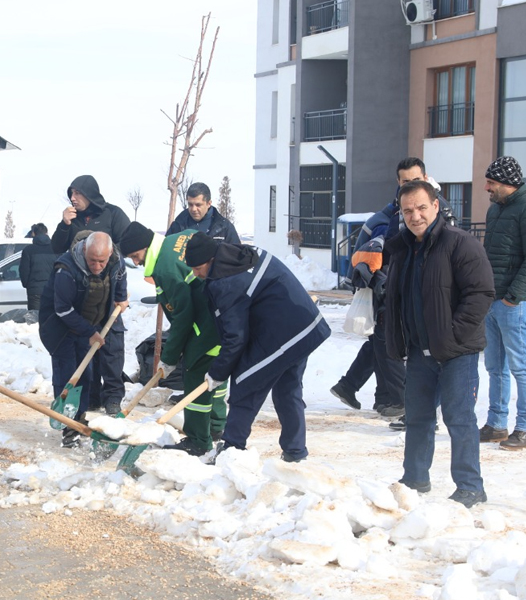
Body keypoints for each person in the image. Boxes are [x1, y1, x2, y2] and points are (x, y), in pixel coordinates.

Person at [382, 180, 494, 508]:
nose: (415, 216)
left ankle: (471, 486)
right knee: (418, 417)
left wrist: (453, 335)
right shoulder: (402, 248)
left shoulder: (460, 244)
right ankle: (415, 478)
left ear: (435, 206)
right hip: (419, 352)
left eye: (420, 208)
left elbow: (482, 294)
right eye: (408, 211)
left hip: (457, 351)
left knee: (459, 418)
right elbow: (398, 299)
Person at [185, 234, 330, 464]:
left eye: (197, 267)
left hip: (283, 329)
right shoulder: (236, 256)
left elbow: (235, 337)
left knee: (245, 381)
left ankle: (231, 449)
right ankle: (295, 453)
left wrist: (218, 373)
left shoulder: (226, 281)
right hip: (303, 325)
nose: (195, 273)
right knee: (288, 389)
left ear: (211, 259)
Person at [331, 157, 438, 423]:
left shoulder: (435, 209)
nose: (411, 185)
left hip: (418, 290)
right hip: (388, 290)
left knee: (384, 342)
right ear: (398, 183)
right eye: (405, 181)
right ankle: (398, 401)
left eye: (415, 180)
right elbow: (383, 254)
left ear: (425, 178)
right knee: (385, 341)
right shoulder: (390, 216)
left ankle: (376, 394)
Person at [120, 222, 227, 456]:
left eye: (136, 256)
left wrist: (169, 358)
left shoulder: (165, 270)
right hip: (223, 318)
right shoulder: (178, 238)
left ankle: (199, 441)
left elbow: (183, 316)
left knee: (195, 378)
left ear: (146, 246)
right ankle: (218, 427)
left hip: (204, 328)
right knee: (216, 373)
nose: (136, 262)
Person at [481, 156, 526, 451]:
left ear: (508, 183)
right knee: (495, 366)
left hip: (515, 303)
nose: (487, 188)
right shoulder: (495, 210)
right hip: (492, 300)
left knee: (521, 367)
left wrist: (512, 298)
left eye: (492, 183)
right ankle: (497, 424)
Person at [39, 231, 129, 447]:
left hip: (89, 326)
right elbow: (63, 310)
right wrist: (90, 333)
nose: (97, 266)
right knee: (69, 377)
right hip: (61, 328)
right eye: (92, 260)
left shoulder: (117, 263)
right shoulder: (66, 269)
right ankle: (68, 426)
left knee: (86, 376)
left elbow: (120, 293)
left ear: (109, 255)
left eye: (101, 261)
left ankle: (79, 420)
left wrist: (121, 301)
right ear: (84, 251)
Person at [51, 175, 132, 254]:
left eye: (77, 193)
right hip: (76, 267)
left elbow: (127, 243)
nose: (72, 198)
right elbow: (56, 249)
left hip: (107, 266)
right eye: (72, 193)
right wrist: (64, 225)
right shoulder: (71, 217)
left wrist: (104, 255)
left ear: (89, 194)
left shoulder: (113, 213)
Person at [165, 182, 241, 245]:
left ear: (209, 203)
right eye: (190, 204)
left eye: (198, 205)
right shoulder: (177, 226)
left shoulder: (224, 228)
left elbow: (237, 258)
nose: (194, 209)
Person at [18, 223, 54, 311]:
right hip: (53, 290)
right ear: (46, 233)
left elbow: (24, 271)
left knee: (34, 319)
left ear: (34, 234)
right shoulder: (55, 248)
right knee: (51, 318)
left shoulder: (28, 250)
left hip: (35, 291)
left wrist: (28, 285)